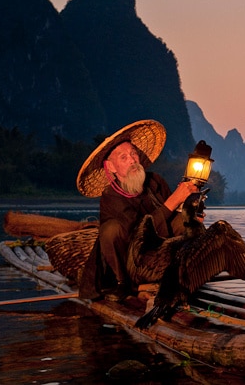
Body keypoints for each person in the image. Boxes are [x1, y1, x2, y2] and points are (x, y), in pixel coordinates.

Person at [76, 119, 199, 302]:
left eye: (133, 154)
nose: (133, 160)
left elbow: (172, 219)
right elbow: (136, 234)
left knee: (187, 222)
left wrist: (189, 210)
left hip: (158, 258)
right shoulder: (111, 196)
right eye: (123, 158)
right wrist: (173, 200)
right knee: (110, 229)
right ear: (111, 167)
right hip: (129, 265)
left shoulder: (155, 181)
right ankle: (124, 286)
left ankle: (184, 276)